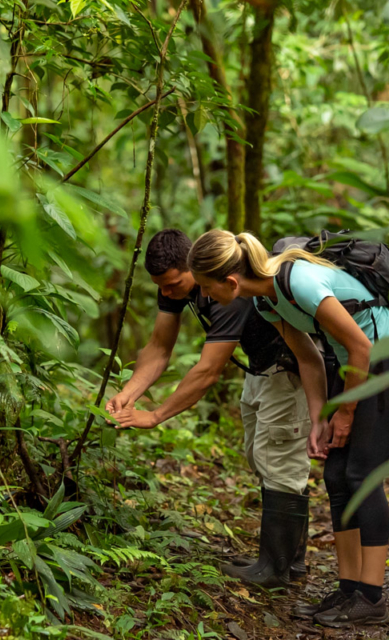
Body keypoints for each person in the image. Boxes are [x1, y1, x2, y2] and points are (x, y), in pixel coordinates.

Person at [187, 230, 389, 628]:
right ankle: (349, 589)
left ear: (230, 282)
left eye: (207, 288)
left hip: (386, 362)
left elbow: (362, 346)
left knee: (362, 474)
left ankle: (372, 598)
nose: (205, 297)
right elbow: (308, 358)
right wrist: (319, 419)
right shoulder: (265, 299)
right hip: (352, 370)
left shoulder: (299, 282)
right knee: (335, 474)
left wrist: (344, 414)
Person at [107, 229, 328, 588]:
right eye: (159, 286)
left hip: (290, 372)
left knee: (278, 461)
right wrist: (129, 393)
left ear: (192, 269)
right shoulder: (177, 285)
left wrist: (156, 415)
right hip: (261, 368)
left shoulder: (225, 290)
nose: (166, 292)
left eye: (173, 283)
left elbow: (208, 371)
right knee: (260, 457)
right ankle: (286, 559)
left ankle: (276, 568)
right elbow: (159, 346)